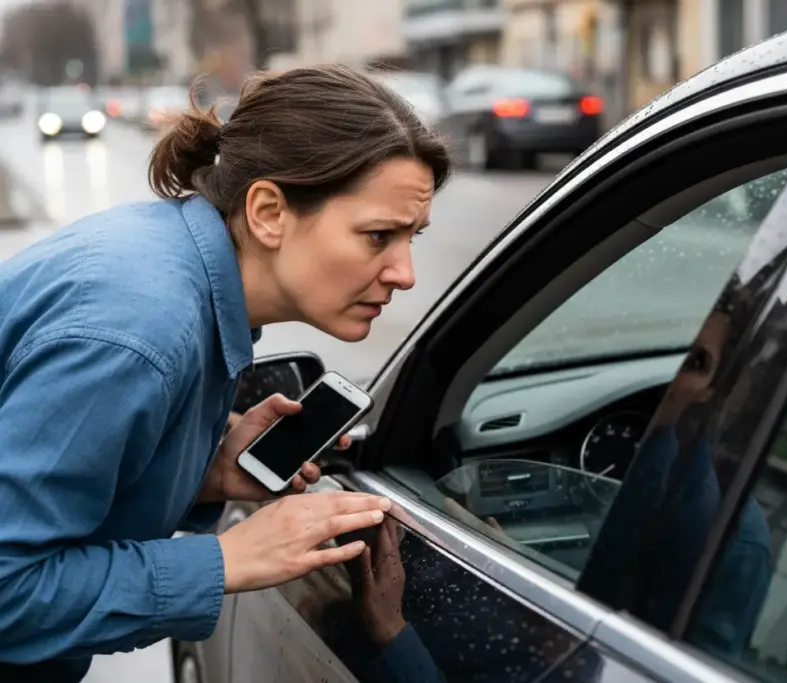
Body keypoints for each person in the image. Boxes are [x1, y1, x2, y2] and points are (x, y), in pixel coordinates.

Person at [0, 64, 451, 682]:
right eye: (378, 236)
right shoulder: (137, 333)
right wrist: (224, 563)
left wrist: (201, 477)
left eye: (412, 239)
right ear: (268, 211)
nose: (405, 273)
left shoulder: (174, 270)